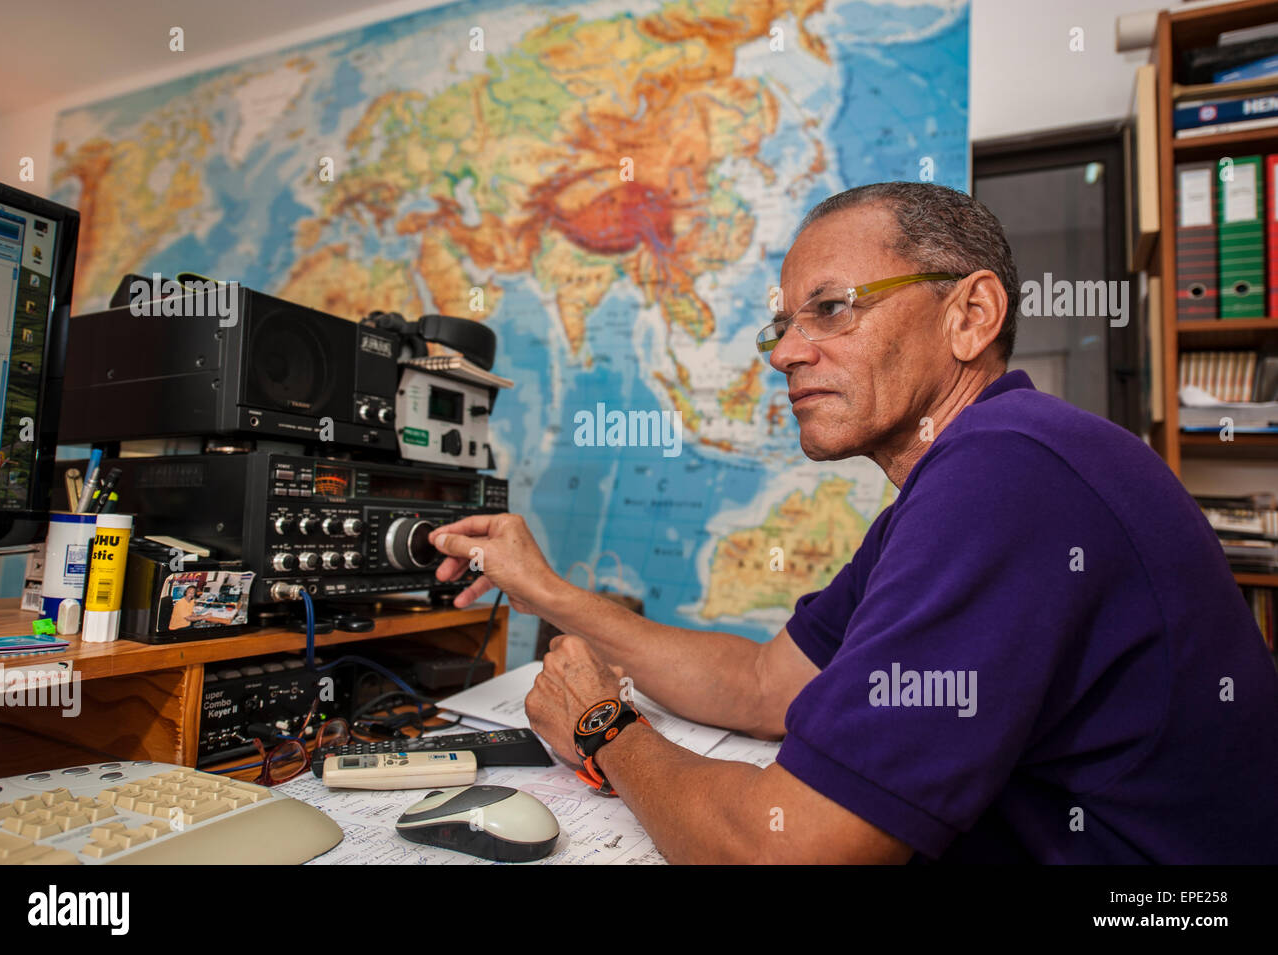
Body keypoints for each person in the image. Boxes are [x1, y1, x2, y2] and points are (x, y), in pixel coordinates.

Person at [431, 182, 1278, 864]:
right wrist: (545, 590)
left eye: (832, 308)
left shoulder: (1007, 474)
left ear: (972, 316)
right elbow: (765, 684)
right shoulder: (965, 474)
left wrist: (601, 727)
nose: (785, 352)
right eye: (783, 322)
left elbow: (791, 850)